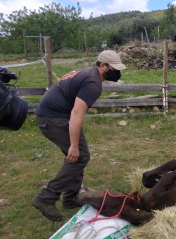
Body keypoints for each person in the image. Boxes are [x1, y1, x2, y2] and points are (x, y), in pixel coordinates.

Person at [31, 50, 126, 221]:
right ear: (102, 66)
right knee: (79, 156)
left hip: (54, 114)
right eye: (114, 68)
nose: (117, 72)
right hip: (53, 118)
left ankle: (70, 198)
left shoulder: (87, 72)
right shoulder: (93, 83)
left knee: (78, 156)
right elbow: (76, 113)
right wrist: (73, 146)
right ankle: (46, 198)